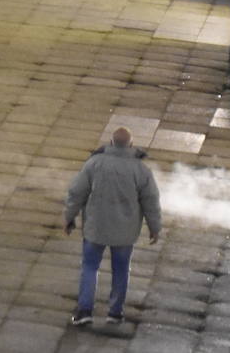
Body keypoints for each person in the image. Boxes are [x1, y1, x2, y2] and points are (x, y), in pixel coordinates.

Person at [63, 126, 162, 327]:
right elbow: (151, 201)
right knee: (121, 270)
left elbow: (76, 193)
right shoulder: (141, 170)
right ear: (131, 145)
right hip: (125, 232)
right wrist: (155, 227)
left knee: (89, 267)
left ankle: (84, 311)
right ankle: (115, 312)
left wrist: (69, 217)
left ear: (111, 143)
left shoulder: (94, 163)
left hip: (95, 229)